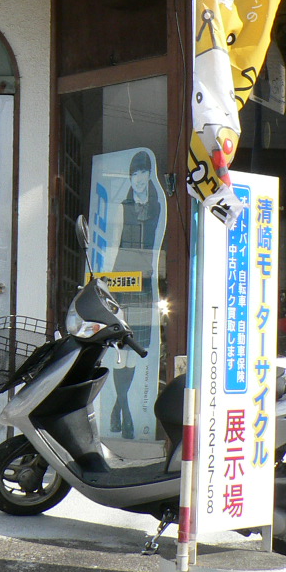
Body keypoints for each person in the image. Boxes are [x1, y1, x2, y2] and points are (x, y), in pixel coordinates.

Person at [109, 150, 163, 439]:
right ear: (130, 178)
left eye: (143, 172)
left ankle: (118, 409)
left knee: (133, 347)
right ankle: (126, 412)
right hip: (122, 283)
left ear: (150, 175)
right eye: (135, 173)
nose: (139, 178)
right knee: (122, 348)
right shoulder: (123, 207)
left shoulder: (157, 207)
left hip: (145, 283)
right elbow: (113, 248)